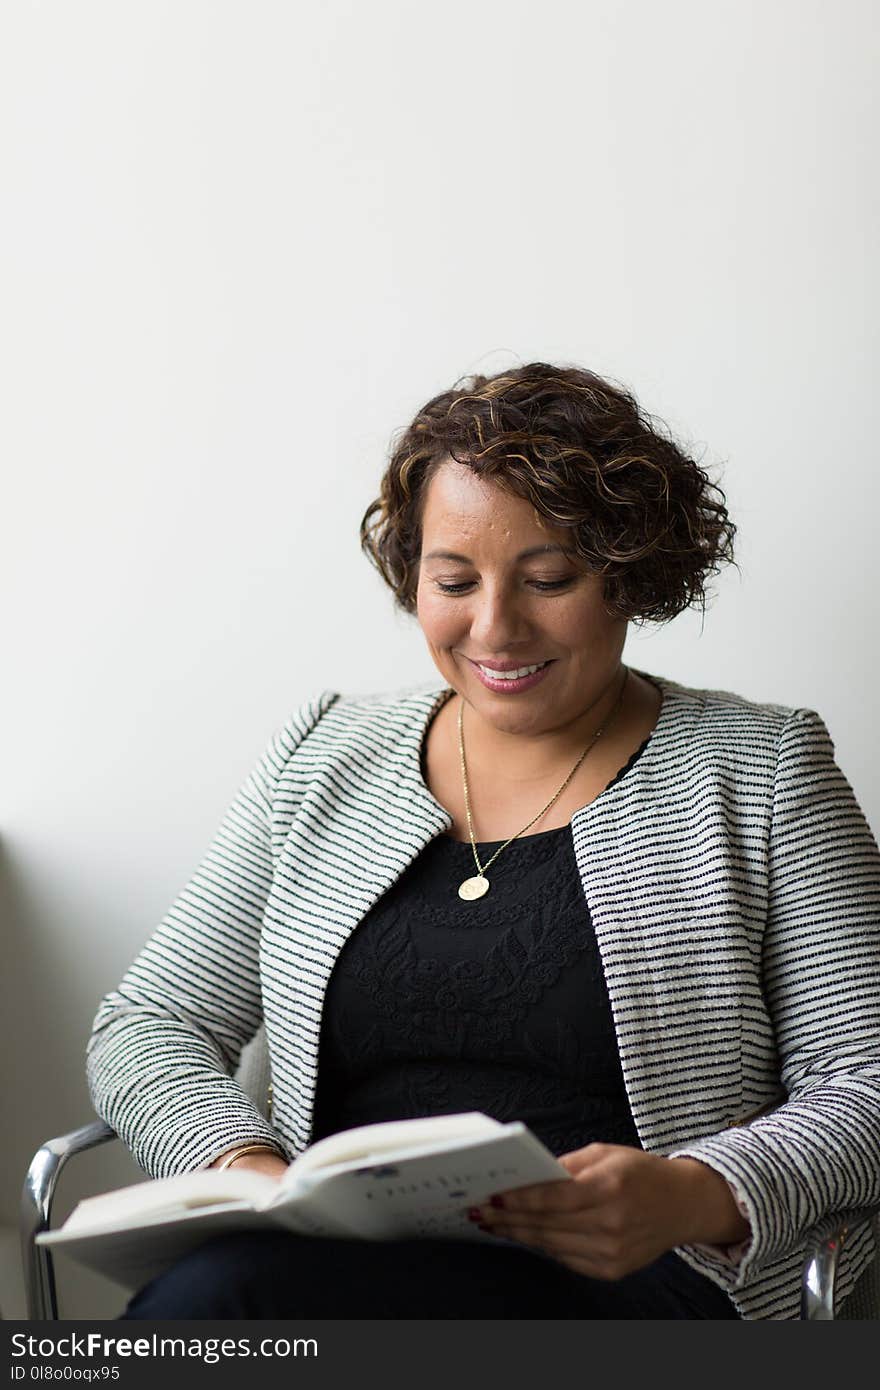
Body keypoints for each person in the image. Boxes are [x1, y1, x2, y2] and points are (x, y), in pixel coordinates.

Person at [87, 362, 880, 1321]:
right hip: (328, 1268)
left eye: (549, 579)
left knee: (222, 1309)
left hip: (631, 1281)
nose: (495, 629)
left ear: (628, 573)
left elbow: (866, 1079)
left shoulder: (761, 771)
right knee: (215, 1301)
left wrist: (696, 1193)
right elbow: (149, 1023)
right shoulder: (325, 751)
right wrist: (248, 1172)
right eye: (452, 580)